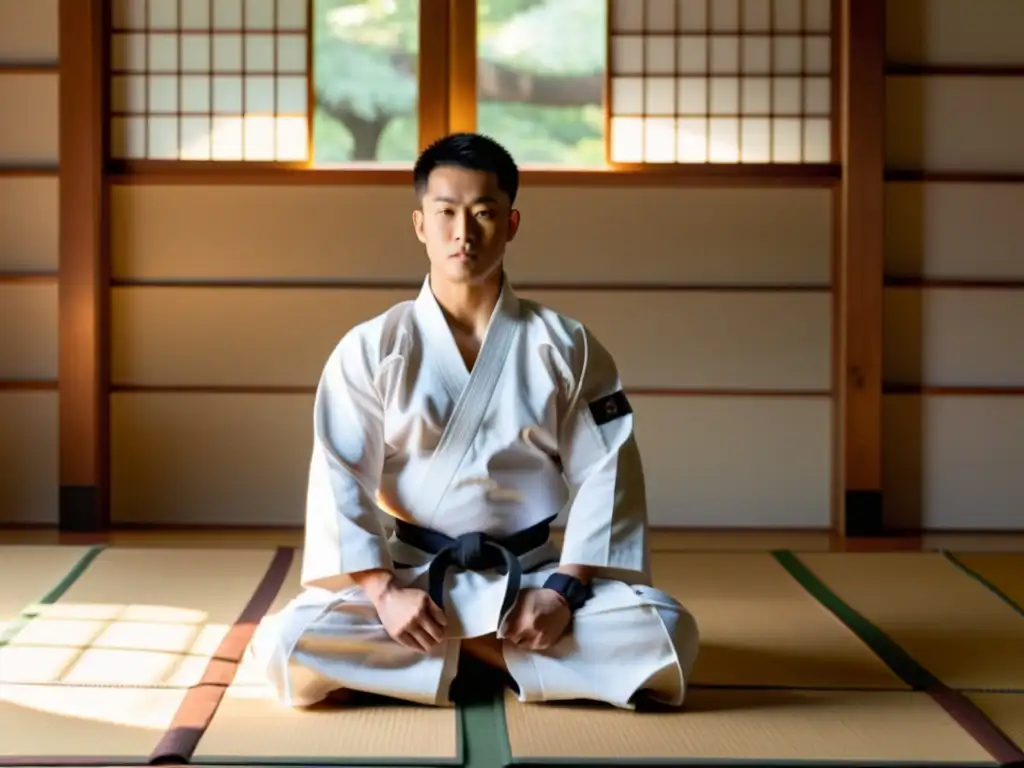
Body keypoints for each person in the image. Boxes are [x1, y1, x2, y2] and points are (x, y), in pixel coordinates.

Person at [248, 132, 700, 710]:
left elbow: (609, 472)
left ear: (511, 224)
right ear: (420, 224)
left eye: (484, 213)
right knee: (289, 641)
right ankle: (501, 657)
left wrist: (564, 592)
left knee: (666, 630)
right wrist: (383, 592)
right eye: (447, 213)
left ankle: (450, 660)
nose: (464, 232)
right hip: (415, 580)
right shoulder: (371, 347)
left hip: (533, 580)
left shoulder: (564, 345)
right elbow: (341, 480)